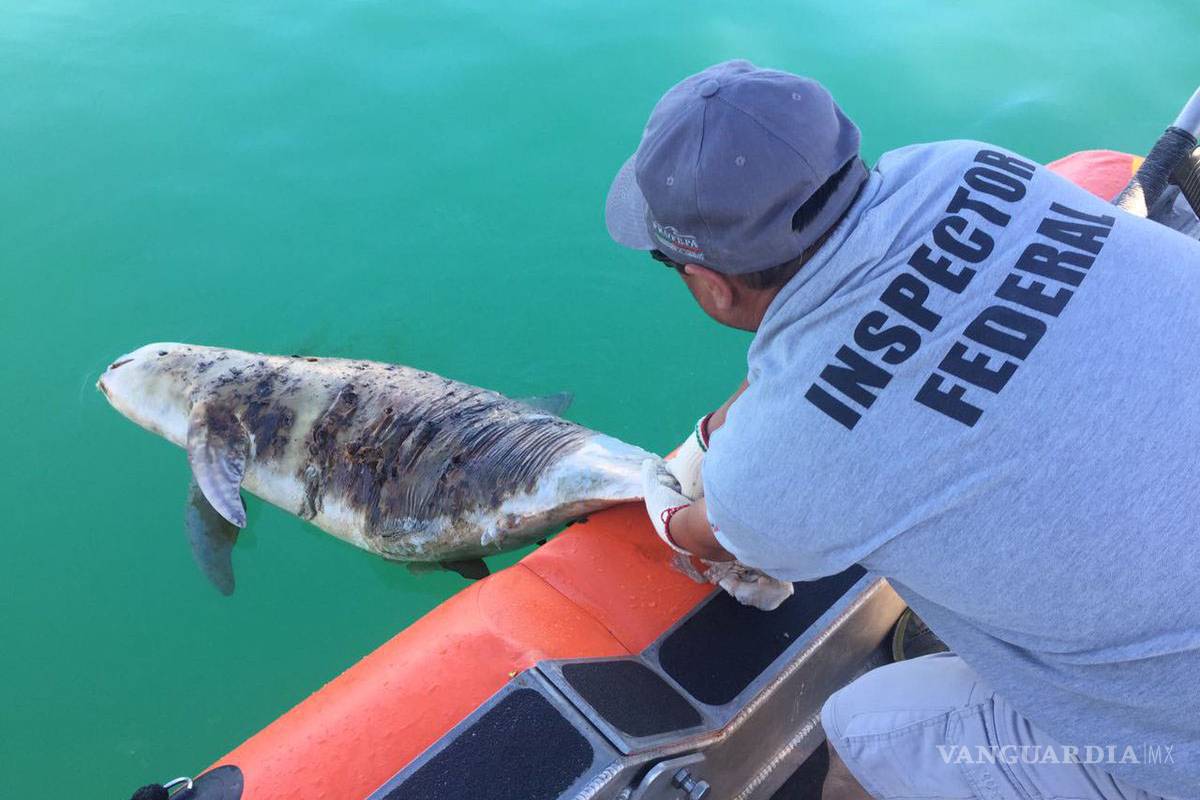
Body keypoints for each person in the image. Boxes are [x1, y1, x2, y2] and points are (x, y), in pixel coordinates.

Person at [605, 60, 1200, 800]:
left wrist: (661, 491)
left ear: (714, 285)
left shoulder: (780, 467)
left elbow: (704, 531)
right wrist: (726, 428)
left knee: (863, 725)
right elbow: (876, 334)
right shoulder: (967, 165)